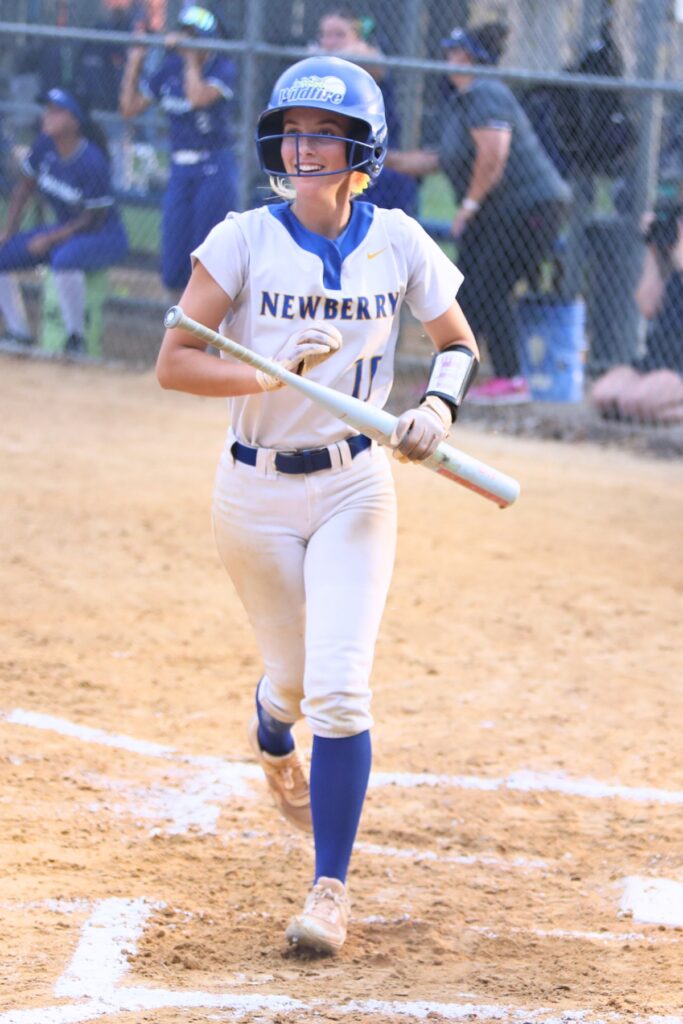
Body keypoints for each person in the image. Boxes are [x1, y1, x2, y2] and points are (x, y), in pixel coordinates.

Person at [156, 55, 479, 954]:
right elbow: (173, 361)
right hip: (252, 492)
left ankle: (328, 891)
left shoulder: (401, 242)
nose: (303, 148)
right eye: (294, 131)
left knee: (339, 688)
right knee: (294, 683)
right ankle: (270, 716)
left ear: (358, 149)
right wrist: (266, 368)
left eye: (323, 133)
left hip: (353, 484)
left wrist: (433, 408)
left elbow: (456, 343)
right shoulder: (241, 239)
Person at [387, 21, 572, 405]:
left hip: (528, 208)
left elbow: (494, 154)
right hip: (501, 214)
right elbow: (438, 158)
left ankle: (509, 379)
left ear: (468, 57)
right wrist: (383, 159)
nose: (447, 59)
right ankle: (460, 380)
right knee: (474, 291)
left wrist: (468, 206)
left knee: (489, 289)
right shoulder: (464, 101)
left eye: (455, 52)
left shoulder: (484, 91)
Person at [119, 4, 239, 295]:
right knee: (173, 263)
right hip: (180, 169)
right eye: (184, 34)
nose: (186, 41)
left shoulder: (223, 68)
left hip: (214, 168)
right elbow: (129, 109)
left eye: (194, 36)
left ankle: (211, 335)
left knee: (208, 260)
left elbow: (198, 97)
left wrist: (189, 60)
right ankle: (178, 329)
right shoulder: (168, 70)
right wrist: (135, 63)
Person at [0, 88, 128, 352]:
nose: (47, 117)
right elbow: (23, 188)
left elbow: (94, 218)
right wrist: (7, 232)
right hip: (65, 231)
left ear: (74, 121)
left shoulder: (91, 159)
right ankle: (18, 332)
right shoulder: (44, 145)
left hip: (103, 235)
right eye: (47, 110)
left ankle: (75, 340)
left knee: (64, 260)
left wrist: (50, 238)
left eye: (56, 112)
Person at [312, 5, 419, 216]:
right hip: (334, 168)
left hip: (377, 169)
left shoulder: (368, 59)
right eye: (325, 35)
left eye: (339, 35)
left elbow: (365, 56)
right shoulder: (319, 71)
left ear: (360, 39)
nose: (329, 42)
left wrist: (319, 56)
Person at [590, 202, 683, 424]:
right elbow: (647, 305)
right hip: (660, 355)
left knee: (638, 401)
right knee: (602, 395)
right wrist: (653, 250)